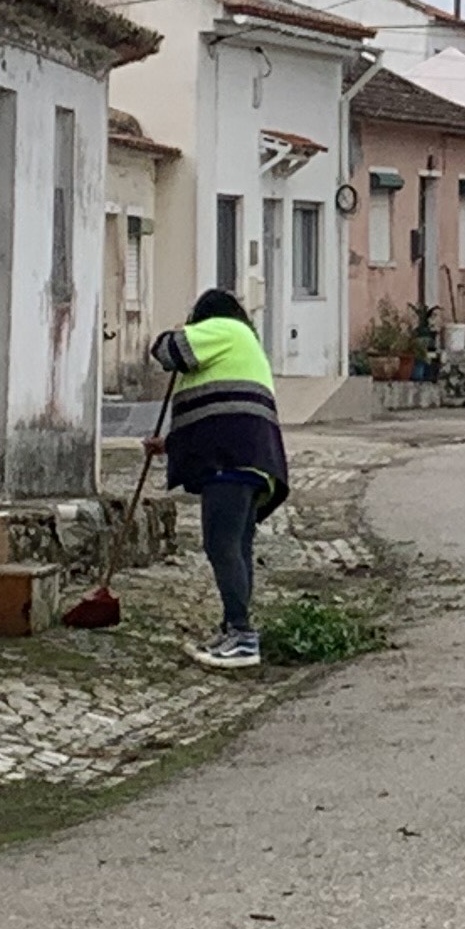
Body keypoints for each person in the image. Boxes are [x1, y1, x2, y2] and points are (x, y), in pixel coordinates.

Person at [149, 287, 288, 670]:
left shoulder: (224, 330)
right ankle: (234, 628)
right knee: (238, 547)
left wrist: (180, 330)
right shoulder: (243, 344)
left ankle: (242, 636)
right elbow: (216, 408)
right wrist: (169, 445)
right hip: (250, 459)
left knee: (221, 544)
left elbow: (169, 349)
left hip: (231, 458)